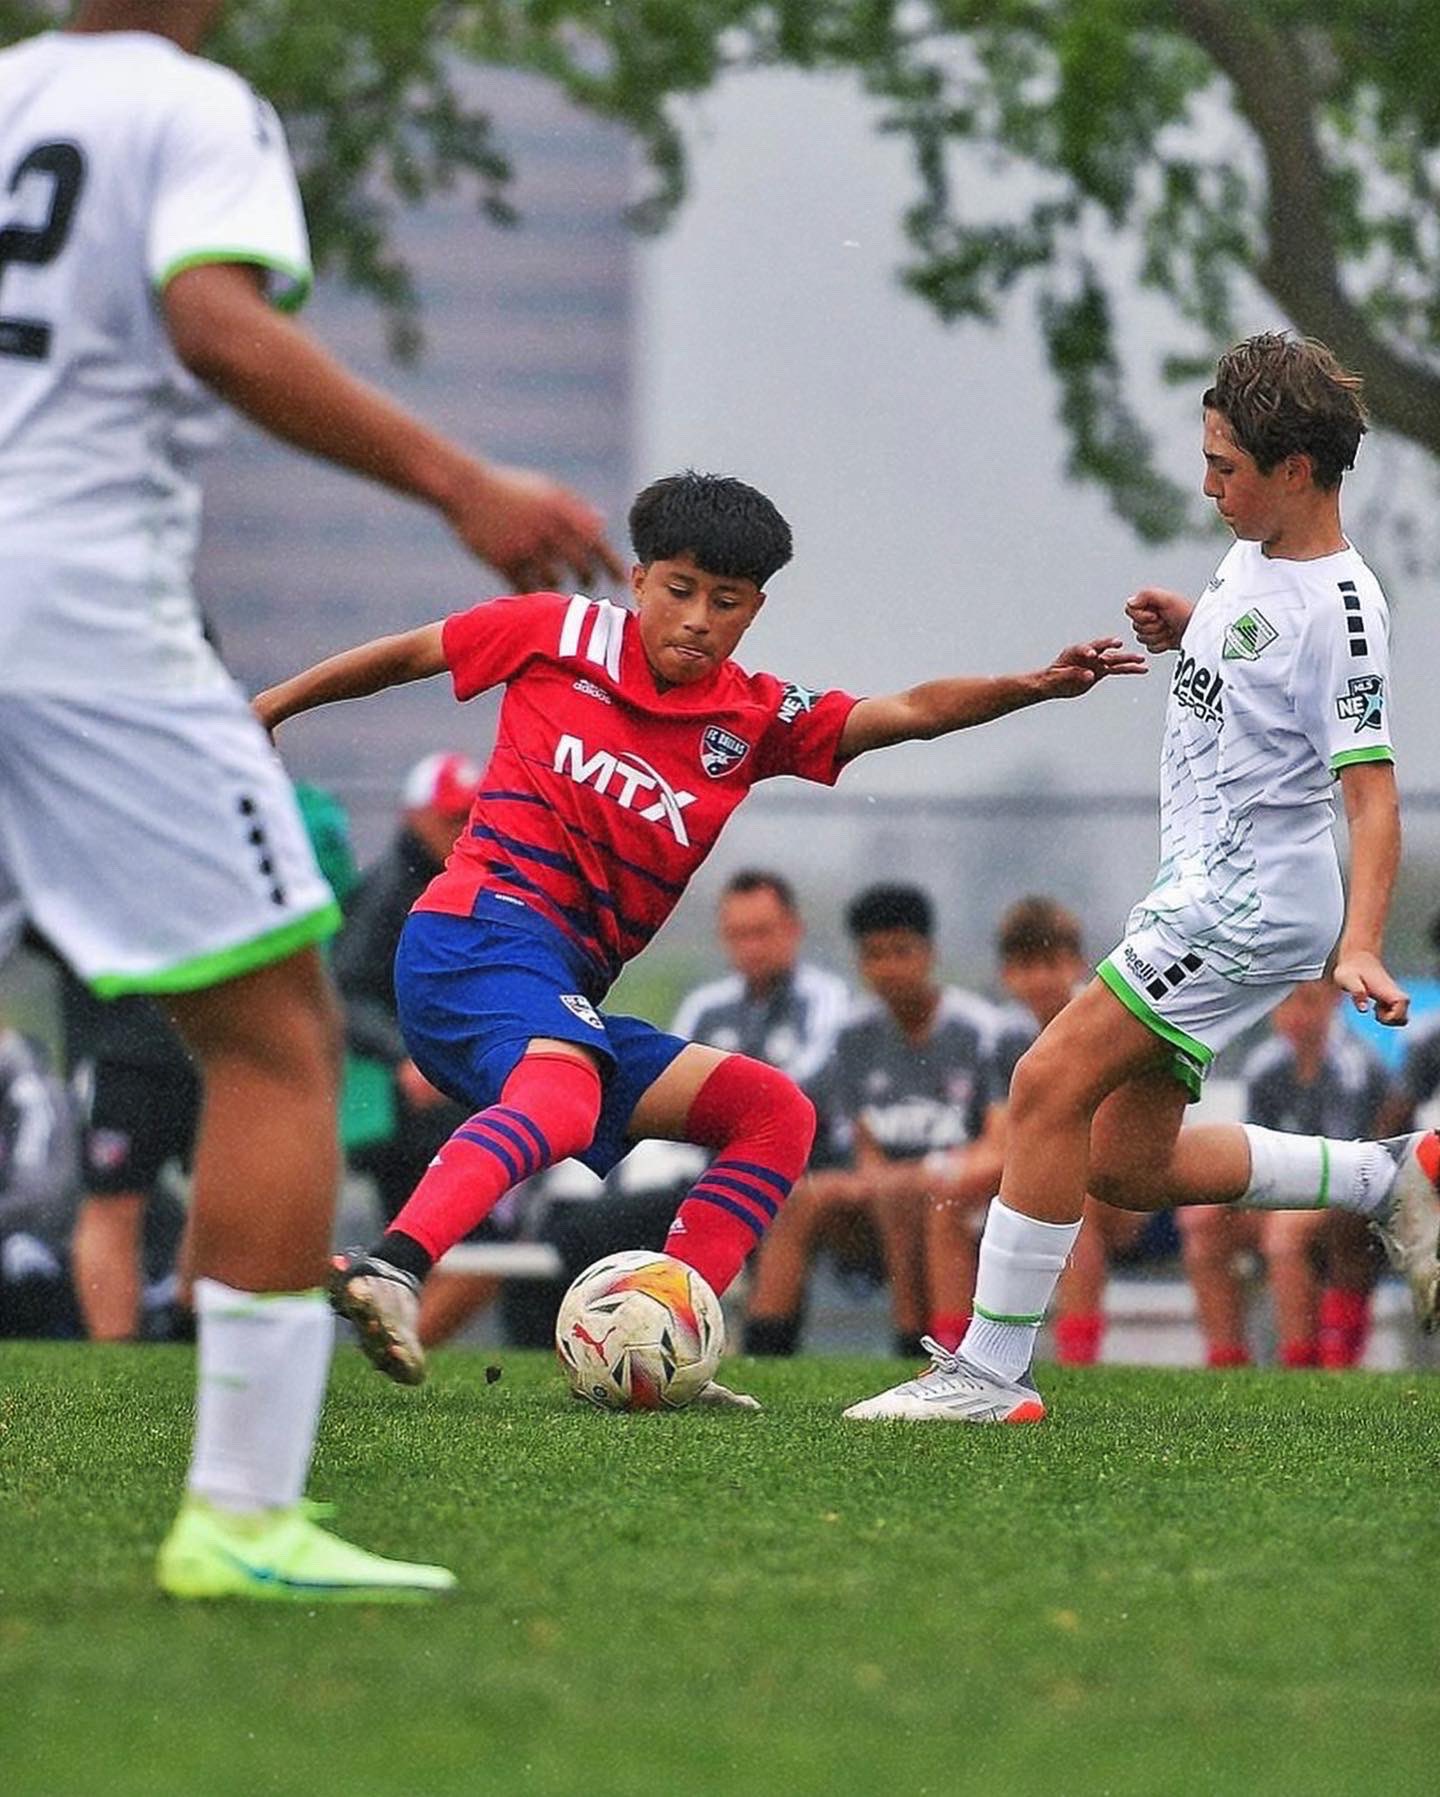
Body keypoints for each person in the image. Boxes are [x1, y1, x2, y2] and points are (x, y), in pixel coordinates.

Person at [0, 0, 621, 1600]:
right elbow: (213, 322)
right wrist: (461, 482)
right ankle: (242, 1515)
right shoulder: (189, 105)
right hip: (78, 621)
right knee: (278, 1037)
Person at [255, 469, 1145, 1397]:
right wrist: (274, 705)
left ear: (753, 610)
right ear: (639, 580)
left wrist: (1032, 685)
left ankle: (668, 1332)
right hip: (471, 937)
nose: (696, 619)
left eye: (725, 602)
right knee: (564, 1097)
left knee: (773, 1113)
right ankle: (392, 1266)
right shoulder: (555, 630)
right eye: (679, 590)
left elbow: (909, 713)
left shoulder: (753, 716)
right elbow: (411, 653)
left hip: (555, 990)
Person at [846, 332, 1440, 1424]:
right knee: (1124, 1166)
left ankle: (990, 1375)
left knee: (1044, 1084)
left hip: (1241, 902)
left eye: (1225, 467)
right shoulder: (1258, 552)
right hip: (1206, 887)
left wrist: (1360, 943)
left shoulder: (1345, 609)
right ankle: (1388, 1175)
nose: (1208, 484)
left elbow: (1371, 794)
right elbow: (1261, 667)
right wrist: (1195, 629)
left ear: (1295, 470)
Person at [745, 883, 1003, 1357]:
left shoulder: (981, 1031)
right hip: (885, 1193)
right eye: (874, 955)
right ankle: (764, 1351)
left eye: (901, 952)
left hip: (967, 1199)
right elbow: (862, 1144)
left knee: (901, 1192)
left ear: (929, 953)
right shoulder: (854, 1036)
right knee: (799, 1200)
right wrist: (881, 1178)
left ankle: (920, 1346)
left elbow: (1000, 1144)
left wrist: (928, 1175)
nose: (888, 968)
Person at [334, 751, 509, 1348]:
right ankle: (391, 1347)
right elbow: (345, 991)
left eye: (471, 817)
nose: (463, 830)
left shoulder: (457, 880)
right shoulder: (393, 890)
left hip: (439, 1095)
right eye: (451, 817)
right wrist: (404, 1056)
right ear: (415, 817)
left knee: (461, 1251)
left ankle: (390, 1342)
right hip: (401, 1106)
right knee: (482, 1250)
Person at [1178, 979, 1393, 1369]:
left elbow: (1348, 1166)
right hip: (1287, 1198)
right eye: (1283, 1002)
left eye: (1307, 1001)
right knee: (1204, 1225)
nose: (1293, 1015)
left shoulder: (1352, 1067)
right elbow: (1250, 1152)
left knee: (1284, 1234)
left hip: (1352, 1202)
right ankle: (1226, 1362)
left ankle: (1299, 1364)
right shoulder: (1265, 1065)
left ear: (1334, 1001)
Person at [672, 870, 850, 1086]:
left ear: (794, 929)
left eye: (762, 932)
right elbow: (674, 1079)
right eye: (738, 934)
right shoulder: (703, 1007)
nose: (751, 949)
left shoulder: (824, 997)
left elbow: (814, 1076)